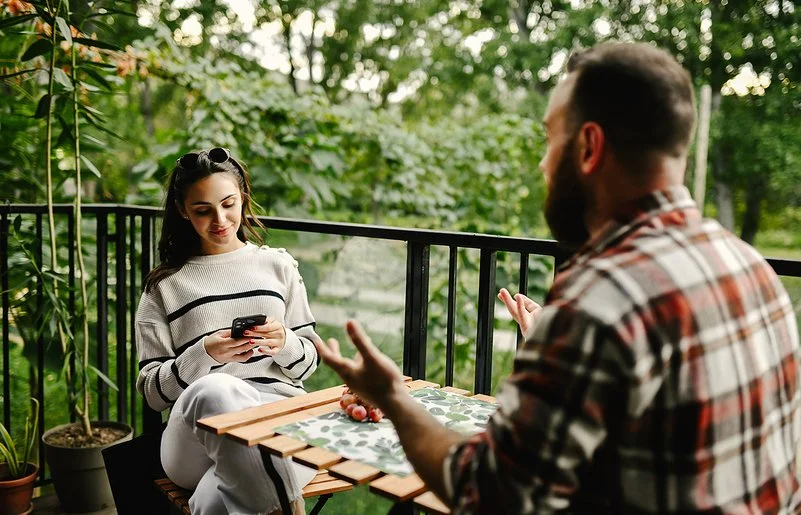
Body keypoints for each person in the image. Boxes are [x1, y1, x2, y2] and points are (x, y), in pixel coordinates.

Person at [315, 42, 801, 513]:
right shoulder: (748, 265)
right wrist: (554, 343)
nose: (543, 164)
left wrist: (394, 398)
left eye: (550, 140)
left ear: (588, 147)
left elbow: (490, 493)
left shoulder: (603, 297)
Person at [135, 147, 319, 515]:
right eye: (202, 210)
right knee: (218, 388)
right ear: (183, 211)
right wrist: (203, 354)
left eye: (228, 204)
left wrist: (286, 343)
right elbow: (153, 394)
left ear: (243, 199)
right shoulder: (165, 286)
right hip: (193, 439)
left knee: (212, 501)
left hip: (279, 419)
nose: (219, 219)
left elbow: (308, 365)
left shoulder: (278, 265)